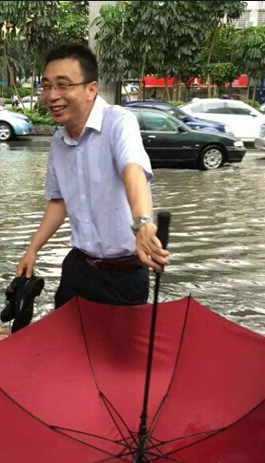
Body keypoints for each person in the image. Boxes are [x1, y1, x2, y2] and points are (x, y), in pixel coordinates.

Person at [16, 42, 169, 309]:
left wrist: (143, 222)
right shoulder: (58, 141)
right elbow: (59, 201)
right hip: (79, 267)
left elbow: (132, 169)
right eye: (47, 86)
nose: (52, 96)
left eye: (63, 85)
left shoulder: (118, 122)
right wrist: (33, 249)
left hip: (125, 274)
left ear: (91, 89)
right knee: (65, 333)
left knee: (122, 338)